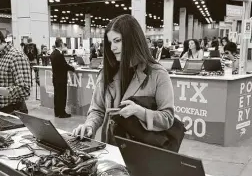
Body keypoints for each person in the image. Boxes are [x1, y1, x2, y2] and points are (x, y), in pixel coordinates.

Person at [72, 14, 174, 142]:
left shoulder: (158, 74)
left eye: (117, 41)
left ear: (133, 39)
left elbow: (167, 118)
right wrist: (89, 126)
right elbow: (97, 110)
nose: (112, 47)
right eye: (110, 42)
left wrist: (139, 111)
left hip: (142, 149)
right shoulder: (106, 73)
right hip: (110, 146)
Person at [50, 37, 75, 118]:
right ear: (61, 44)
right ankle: (62, 113)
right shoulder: (59, 54)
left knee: (57, 96)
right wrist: (73, 68)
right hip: (61, 79)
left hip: (55, 78)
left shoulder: (53, 53)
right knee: (62, 96)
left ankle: (57, 112)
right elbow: (64, 65)